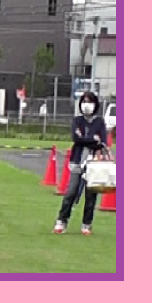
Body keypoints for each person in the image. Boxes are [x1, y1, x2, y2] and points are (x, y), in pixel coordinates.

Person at [54, 90, 107, 235]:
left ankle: (86, 224)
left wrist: (90, 140)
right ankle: (61, 221)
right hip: (77, 161)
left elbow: (102, 142)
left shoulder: (99, 122)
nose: (86, 104)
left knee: (91, 195)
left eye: (89, 102)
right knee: (71, 192)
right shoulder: (77, 121)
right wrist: (92, 139)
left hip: (93, 163)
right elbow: (76, 139)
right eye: (84, 101)